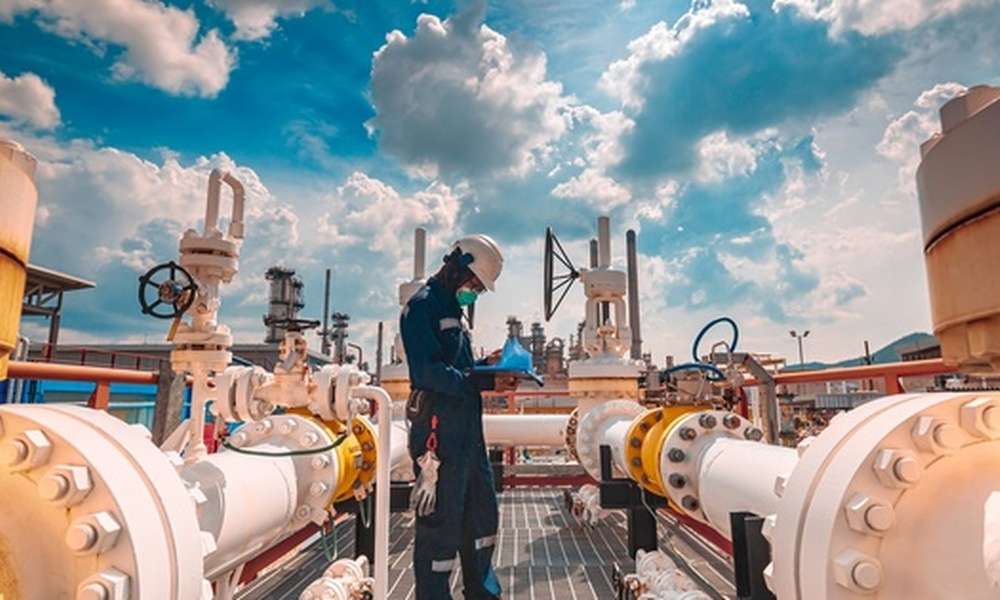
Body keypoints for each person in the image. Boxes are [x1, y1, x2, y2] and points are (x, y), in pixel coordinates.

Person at [401, 234, 516, 600]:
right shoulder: (422, 307)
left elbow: (460, 369)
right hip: (438, 432)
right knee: (440, 527)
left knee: (481, 518)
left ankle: (482, 593)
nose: (476, 293)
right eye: (476, 284)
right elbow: (427, 372)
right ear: (458, 265)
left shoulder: (454, 309)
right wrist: (476, 380)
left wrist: (488, 367)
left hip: (467, 433)